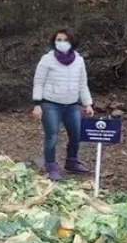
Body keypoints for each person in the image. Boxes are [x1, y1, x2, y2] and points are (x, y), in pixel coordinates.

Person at [31, 28, 95, 181]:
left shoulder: (79, 61)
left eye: (65, 40)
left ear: (72, 42)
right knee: (52, 136)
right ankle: (50, 166)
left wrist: (87, 103)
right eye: (58, 40)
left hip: (72, 105)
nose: (61, 43)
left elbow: (82, 84)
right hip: (51, 104)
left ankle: (72, 162)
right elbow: (38, 82)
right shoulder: (47, 59)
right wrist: (37, 104)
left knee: (76, 135)